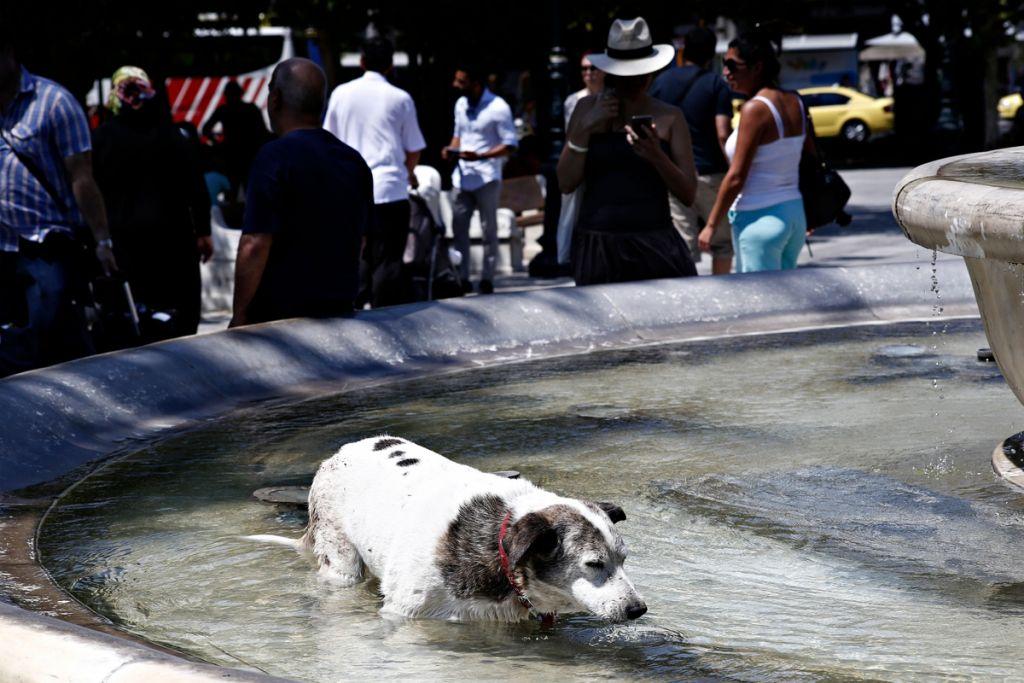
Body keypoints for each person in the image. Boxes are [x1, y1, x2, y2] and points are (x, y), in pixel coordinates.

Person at [0, 27, 117, 375]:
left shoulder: (53, 102)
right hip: (3, 245)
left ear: (9, 52)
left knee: (46, 330)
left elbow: (82, 177)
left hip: (46, 242)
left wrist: (103, 241)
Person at [230, 58, 372, 327]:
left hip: (280, 319)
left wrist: (240, 315)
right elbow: (361, 242)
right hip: (340, 311)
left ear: (275, 98)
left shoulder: (273, 157)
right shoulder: (353, 161)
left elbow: (255, 243)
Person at [557, 17, 698, 286]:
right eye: (624, 75)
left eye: (639, 74)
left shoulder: (670, 117)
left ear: (650, 74)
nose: (633, 82)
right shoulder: (586, 109)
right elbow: (565, 182)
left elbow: (688, 193)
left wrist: (657, 156)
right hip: (598, 245)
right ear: (610, 74)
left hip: (654, 241)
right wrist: (585, 129)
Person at [92, 66, 213, 342]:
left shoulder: (101, 139)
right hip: (174, 243)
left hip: (124, 245)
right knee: (177, 324)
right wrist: (204, 232)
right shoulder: (173, 136)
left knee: (133, 325)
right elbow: (196, 187)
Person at [324, 37, 426, 308]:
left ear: (362, 61)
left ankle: (352, 311)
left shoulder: (340, 94)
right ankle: (384, 320)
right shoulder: (400, 98)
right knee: (388, 259)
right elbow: (414, 147)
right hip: (390, 188)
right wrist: (408, 171)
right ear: (391, 65)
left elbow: (329, 141)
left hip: (351, 191)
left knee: (355, 256)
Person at [698, 33, 810, 273]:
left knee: (761, 304)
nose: (725, 72)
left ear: (757, 67)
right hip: (793, 214)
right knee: (789, 303)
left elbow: (737, 177)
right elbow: (806, 158)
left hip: (759, 218)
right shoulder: (796, 101)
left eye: (732, 65)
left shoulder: (755, 110)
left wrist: (710, 224)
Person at [650, 26, 735, 275]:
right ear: (711, 54)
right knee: (721, 243)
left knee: (684, 243)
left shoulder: (661, 83)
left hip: (674, 173)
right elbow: (722, 132)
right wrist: (734, 171)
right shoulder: (715, 84)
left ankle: (689, 298)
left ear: (684, 50)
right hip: (711, 173)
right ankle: (723, 293)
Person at [442, 64, 518, 294]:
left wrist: (482, 155)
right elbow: (458, 134)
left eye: (461, 81)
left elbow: (510, 144)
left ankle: (487, 277)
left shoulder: (498, 107)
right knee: (459, 228)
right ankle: (463, 277)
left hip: (487, 176)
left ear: (476, 83)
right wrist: (451, 149)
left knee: (489, 230)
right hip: (463, 176)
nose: (456, 85)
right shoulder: (461, 104)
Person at [202, 79, 270, 200]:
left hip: (232, 156)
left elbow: (205, 129)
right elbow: (263, 132)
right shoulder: (250, 109)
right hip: (248, 155)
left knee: (233, 190)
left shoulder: (223, 110)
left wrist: (218, 144)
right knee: (250, 190)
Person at [564, 52, 604, 127]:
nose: (588, 72)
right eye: (584, 68)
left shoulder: (613, 97)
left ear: (604, 71)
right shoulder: (572, 100)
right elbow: (570, 134)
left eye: (593, 68)